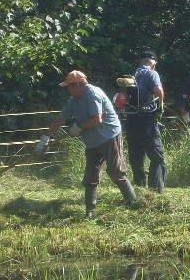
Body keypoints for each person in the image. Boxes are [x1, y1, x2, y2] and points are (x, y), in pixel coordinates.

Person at [41, 70, 135, 217]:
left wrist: (78, 127)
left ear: (78, 85)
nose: (68, 90)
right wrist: (45, 138)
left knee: (116, 172)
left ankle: (133, 203)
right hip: (92, 141)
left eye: (69, 87)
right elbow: (60, 119)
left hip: (109, 136)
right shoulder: (74, 100)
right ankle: (90, 210)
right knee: (90, 175)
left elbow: (97, 119)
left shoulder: (93, 95)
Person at [123, 50, 166, 193]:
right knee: (157, 156)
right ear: (154, 63)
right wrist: (160, 106)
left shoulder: (131, 76)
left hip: (130, 119)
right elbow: (158, 91)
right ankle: (156, 190)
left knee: (136, 156)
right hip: (147, 119)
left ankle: (138, 189)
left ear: (140, 61)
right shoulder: (151, 73)